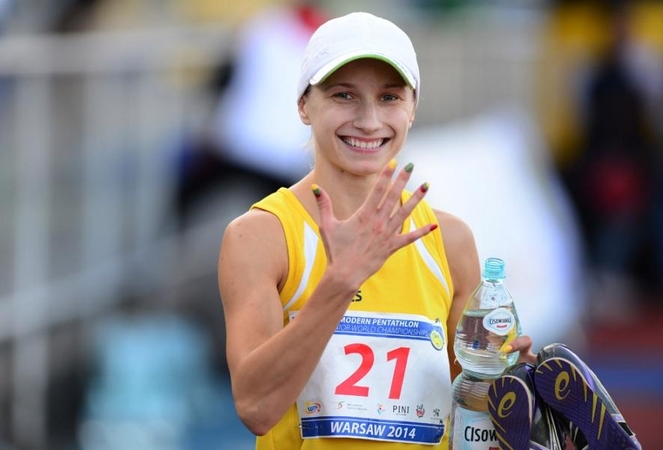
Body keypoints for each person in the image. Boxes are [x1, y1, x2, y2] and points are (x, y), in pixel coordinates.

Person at [216, 12, 538, 449]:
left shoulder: (450, 242)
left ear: (412, 109)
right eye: (344, 95)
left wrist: (509, 389)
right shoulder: (261, 237)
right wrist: (340, 283)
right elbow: (256, 407)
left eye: (389, 97)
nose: (369, 121)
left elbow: (470, 416)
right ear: (304, 105)